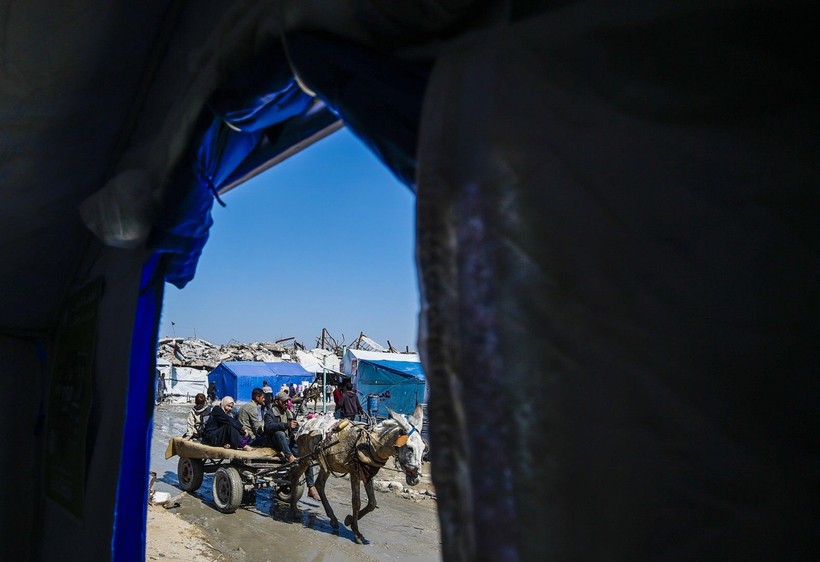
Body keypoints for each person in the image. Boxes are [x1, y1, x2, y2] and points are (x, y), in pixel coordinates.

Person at [264, 391, 319, 500]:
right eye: (283, 401)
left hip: (288, 442)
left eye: (287, 401)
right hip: (274, 442)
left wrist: (294, 432)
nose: (286, 403)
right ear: (277, 401)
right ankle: (289, 457)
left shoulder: (289, 413)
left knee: (306, 456)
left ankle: (311, 486)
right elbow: (268, 427)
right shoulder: (270, 413)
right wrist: (285, 425)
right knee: (279, 433)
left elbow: (295, 427)